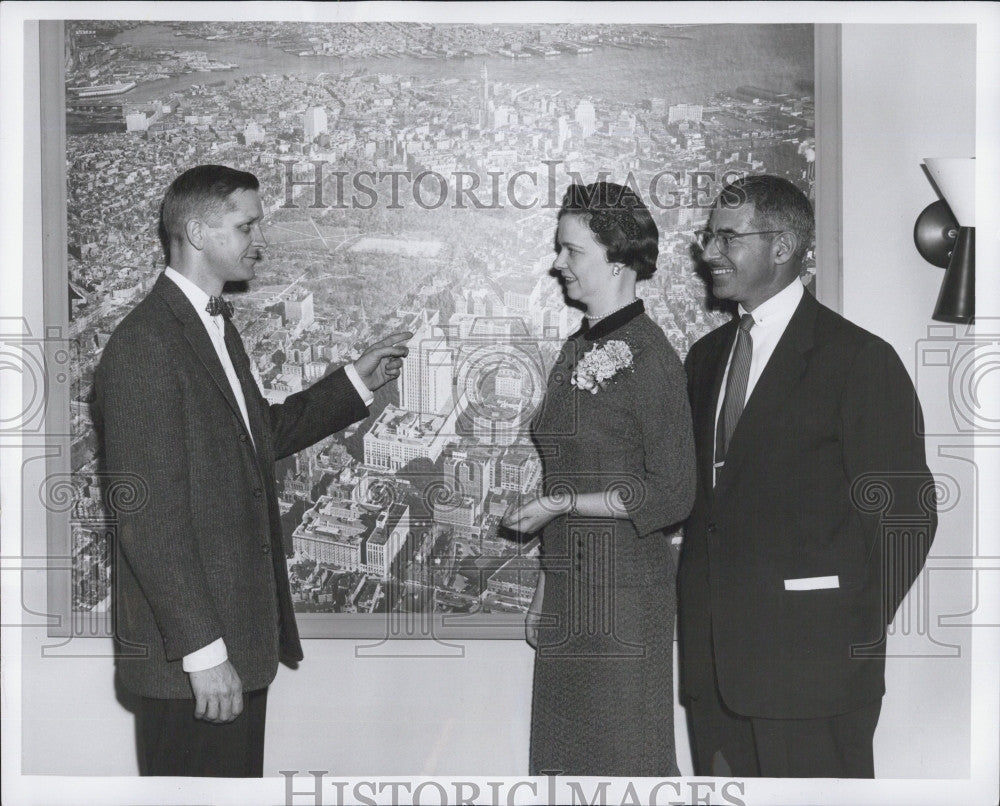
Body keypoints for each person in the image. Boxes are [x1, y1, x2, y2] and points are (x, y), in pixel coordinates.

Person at [91, 164, 410, 777]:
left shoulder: (212, 327)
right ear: (196, 231)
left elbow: (255, 435)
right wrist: (202, 651)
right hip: (196, 662)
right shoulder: (145, 347)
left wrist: (353, 382)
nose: (260, 240)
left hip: (228, 646)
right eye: (246, 225)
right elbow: (149, 521)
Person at [677, 174, 936, 778]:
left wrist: (847, 630)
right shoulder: (707, 358)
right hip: (715, 680)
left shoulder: (859, 360)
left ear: (783, 246)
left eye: (727, 238)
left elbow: (907, 517)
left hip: (816, 678)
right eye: (709, 237)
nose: (710, 253)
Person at [503, 181, 696, 777]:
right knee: (564, 764)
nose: (557, 263)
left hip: (623, 596)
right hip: (572, 588)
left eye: (570, 250)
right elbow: (566, 468)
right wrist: (545, 586)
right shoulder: (578, 347)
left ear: (617, 260)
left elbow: (674, 491)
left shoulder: (650, 355)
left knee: (620, 759)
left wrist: (560, 503)